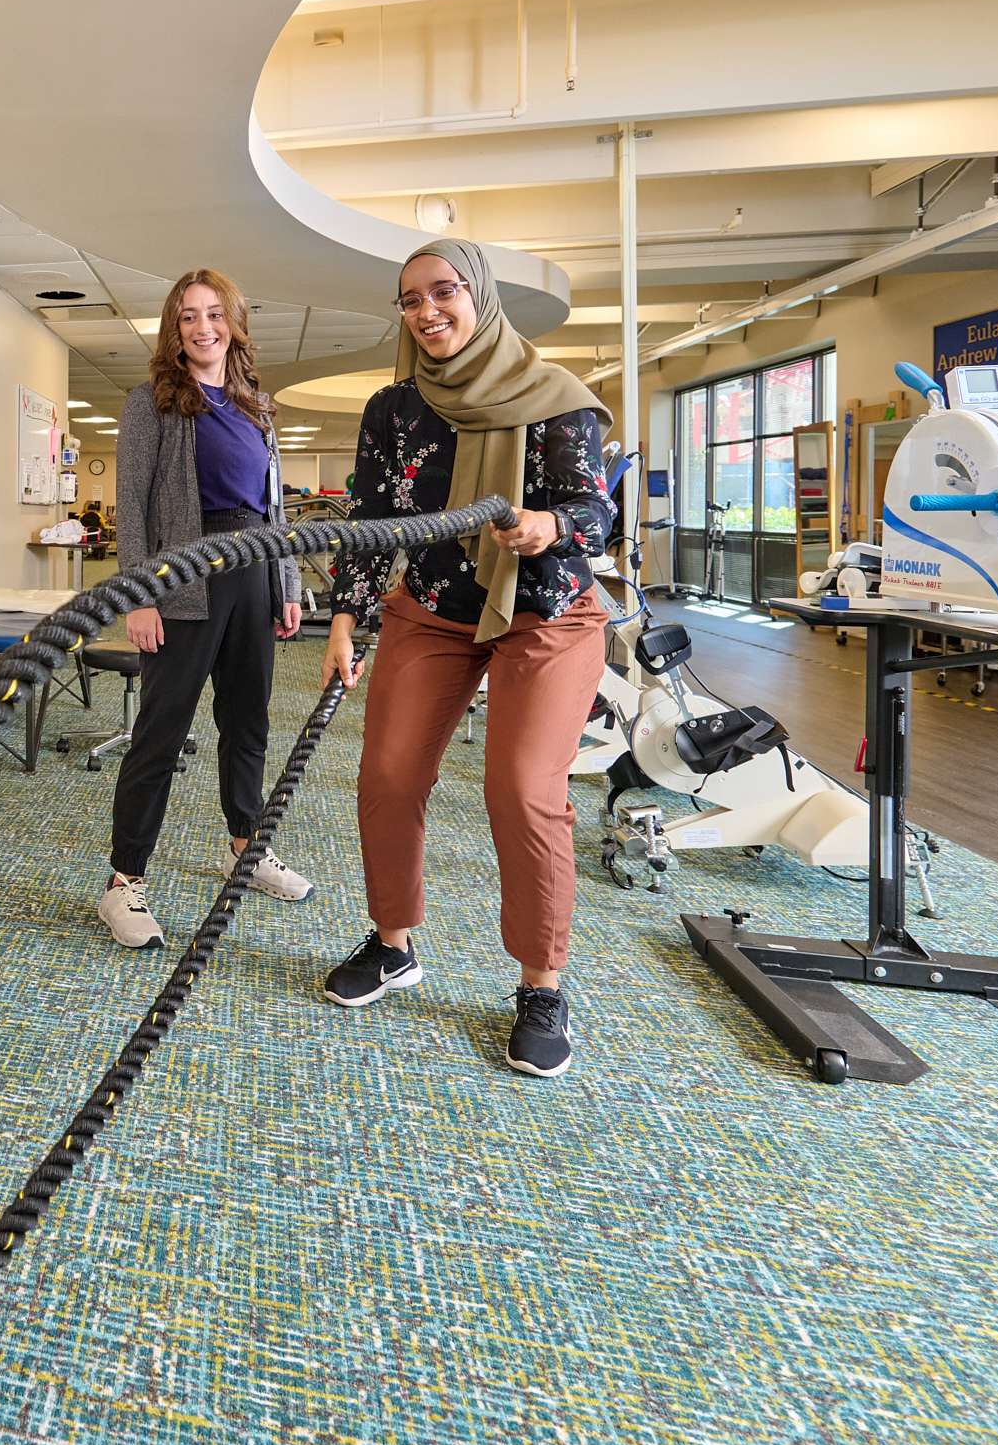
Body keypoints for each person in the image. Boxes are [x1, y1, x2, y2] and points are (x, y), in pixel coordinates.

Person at [319, 238, 613, 1077]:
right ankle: (393, 942)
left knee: (521, 787)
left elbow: (598, 509)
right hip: (438, 607)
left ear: (479, 295)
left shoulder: (556, 398)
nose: (427, 311)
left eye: (443, 292)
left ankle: (541, 985)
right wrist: (348, 615)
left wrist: (550, 526)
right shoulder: (395, 407)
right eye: (410, 299)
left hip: (545, 610)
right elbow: (372, 519)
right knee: (388, 773)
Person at [99, 270, 309, 950]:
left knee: (247, 723)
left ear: (234, 323)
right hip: (183, 582)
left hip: (252, 575)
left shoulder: (257, 406)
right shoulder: (151, 402)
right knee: (160, 735)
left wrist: (286, 583)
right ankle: (122, 883)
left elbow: (273, 508)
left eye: (214, 314)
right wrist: (139, 595)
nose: (202, 327)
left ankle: (244, 849)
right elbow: (130, 504)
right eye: (188, 316)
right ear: (174, 328)